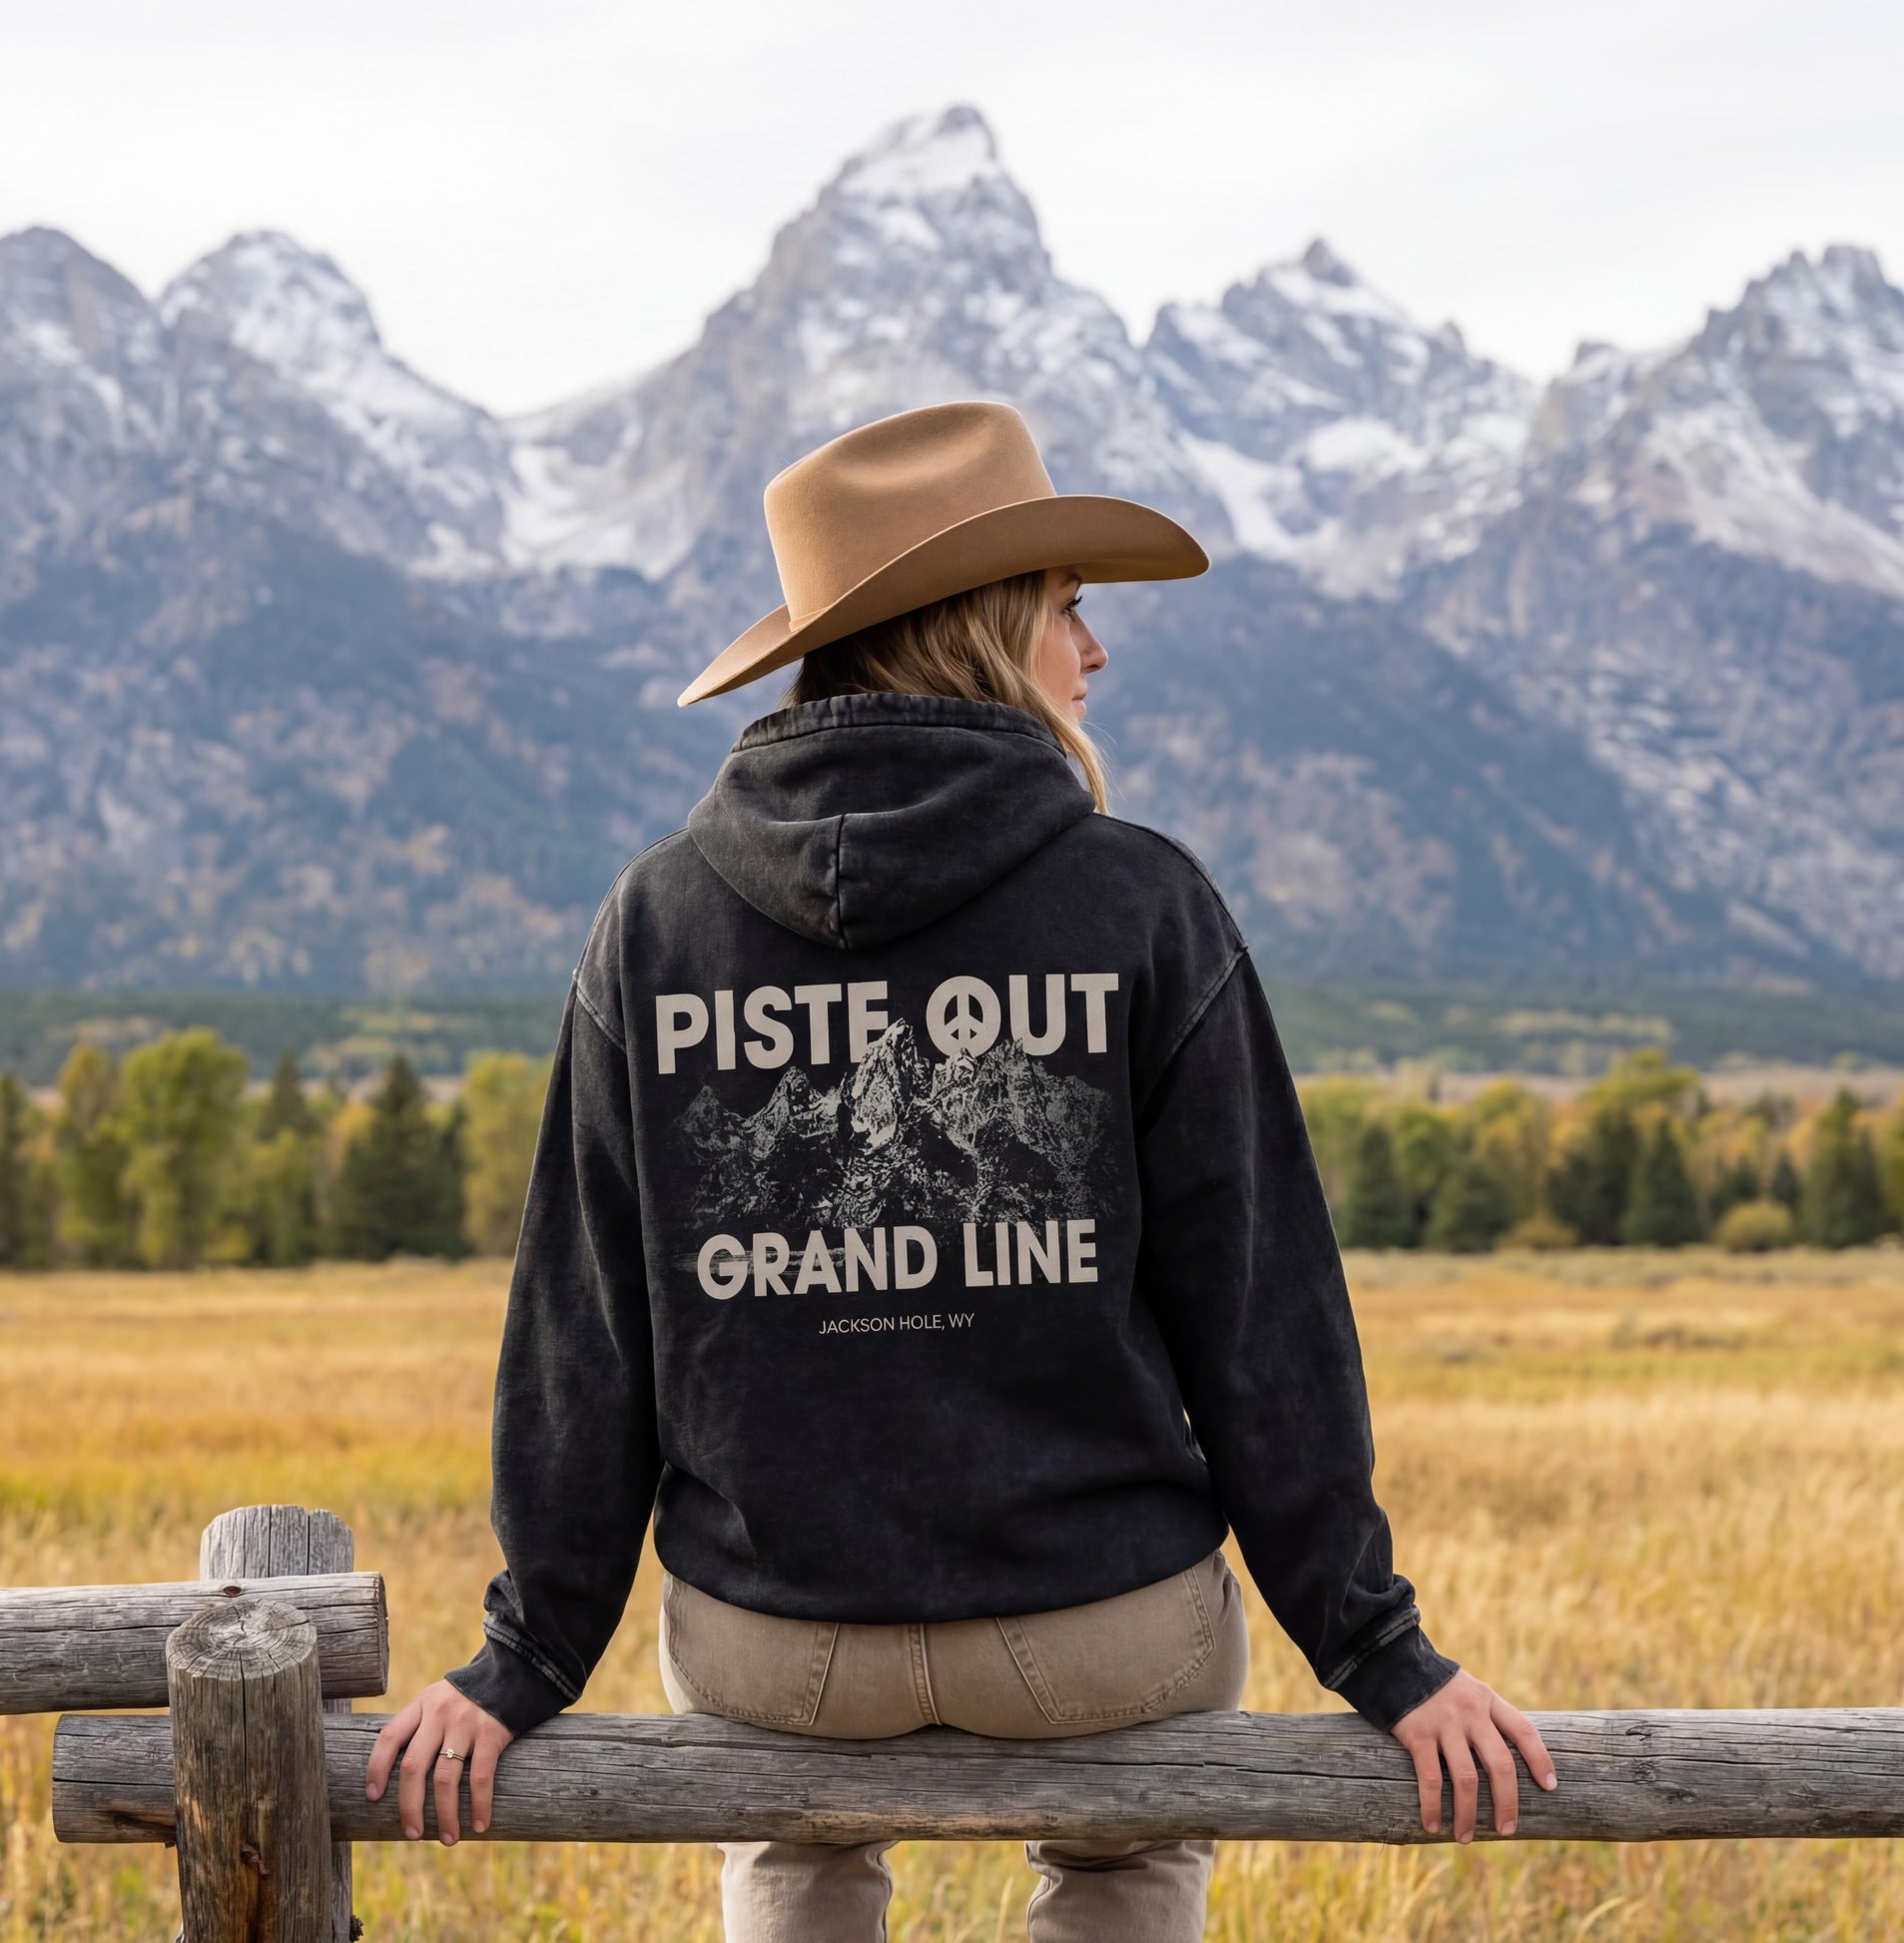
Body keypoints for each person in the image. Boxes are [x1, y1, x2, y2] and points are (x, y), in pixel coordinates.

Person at [364, 399, 1556, 1941]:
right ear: (985, 623)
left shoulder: (652, 922)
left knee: (791, 1846)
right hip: (1096, 1624)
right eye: (1068, 605)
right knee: (1125, 1853)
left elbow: (587, 1337)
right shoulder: (1142, 902)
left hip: (776, 1640)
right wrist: (1382, 1653)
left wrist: (520, 1659)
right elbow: (1259, 1318)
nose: (1094, 651)